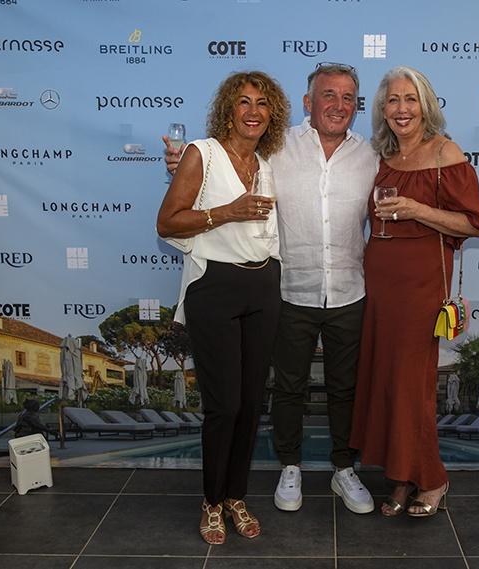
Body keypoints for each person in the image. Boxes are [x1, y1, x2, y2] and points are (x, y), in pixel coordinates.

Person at [165, 63, 378, 516]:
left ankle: (344, 468)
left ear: (357, 106)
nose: (338, 105)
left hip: (348, 289)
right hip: (288, 289)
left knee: (345, 388)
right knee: (287, 388)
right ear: (307, 102)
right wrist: (182, 163)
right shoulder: (277, 146)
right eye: (328, 95)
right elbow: (223, 160)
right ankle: (289, 465)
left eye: (348, 98)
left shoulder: (371, 154)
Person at [157, 71, 290, 544]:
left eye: (262, 103)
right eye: (243, 102)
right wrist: (227, 212)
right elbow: (167, 223)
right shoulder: (203, 153)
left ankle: (236, 496)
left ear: (272, 114)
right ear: (228, 110)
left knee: (251, 404)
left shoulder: (267, 163)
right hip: (214, 286)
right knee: (224, 405)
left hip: (263, 286)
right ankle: (212, 501)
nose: (253, 111)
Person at [349, 66, 479, 517]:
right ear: (382, 109)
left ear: (426, 105)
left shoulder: (446, 152)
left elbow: (472, 224)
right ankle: (400, 476)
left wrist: (415, 209)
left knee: (412, 384)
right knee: (387, 380)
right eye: (393, 100)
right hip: (379, 283)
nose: (402, 108)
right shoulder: (382, 156)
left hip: (421, 284)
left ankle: (432, 478)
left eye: (410, 99)